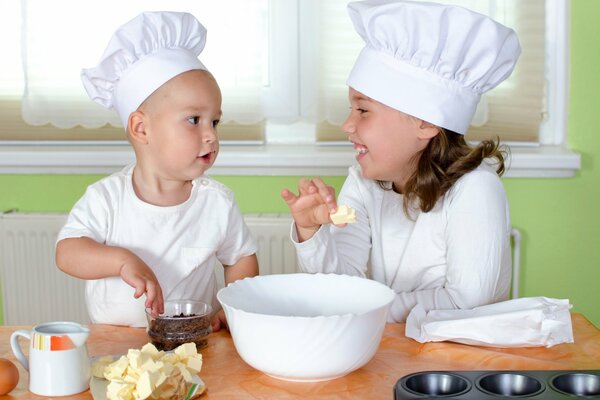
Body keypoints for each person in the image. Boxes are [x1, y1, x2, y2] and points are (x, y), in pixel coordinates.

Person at [281, 0, 521, 322]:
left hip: (462, 362)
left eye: (363, 110)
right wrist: (311, 232)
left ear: (425, 122)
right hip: (396, 351)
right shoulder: (364, 182)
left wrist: (365, 308)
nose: (346, 125)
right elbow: (340, 287)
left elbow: (466, 300)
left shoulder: (476, 188)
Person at [56, 11, 258, 330]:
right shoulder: (106, 198)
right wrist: (122, 260)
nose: (211, 135)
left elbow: (241, 258)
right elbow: (67, 252)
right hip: (117, 346)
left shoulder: (217, 203)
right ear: (141, 128)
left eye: (215, 122)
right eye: (194, 120)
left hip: (192, 341)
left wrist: (231, 307)